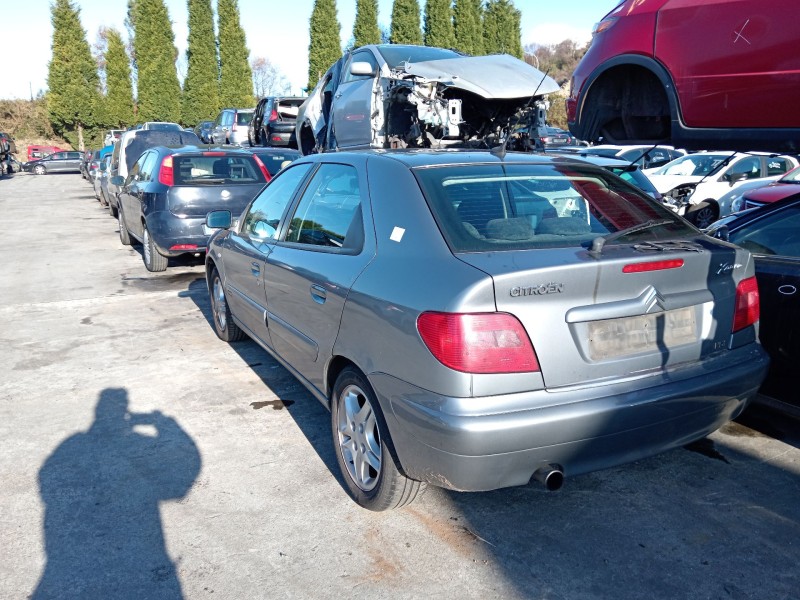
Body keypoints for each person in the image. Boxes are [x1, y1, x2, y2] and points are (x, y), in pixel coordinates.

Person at [33, 388, 201, 599]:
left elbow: (46, 481)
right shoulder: (133, 442)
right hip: (137, 559)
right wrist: (164, 422)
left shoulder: (72, 444)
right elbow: (183, 476)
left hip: (66, 568)